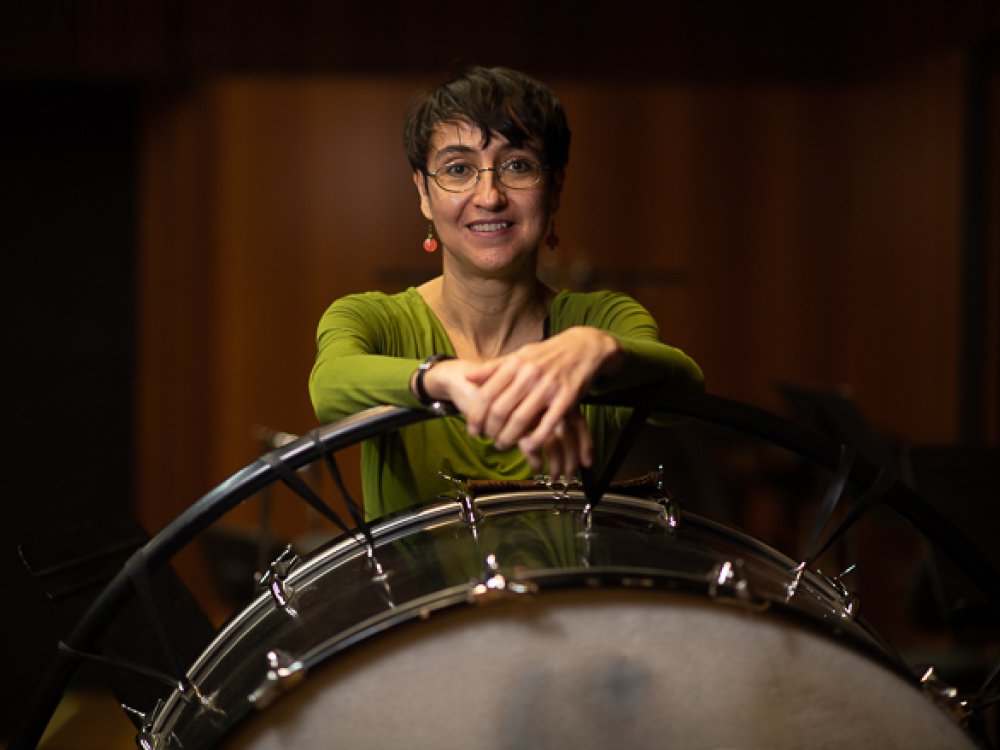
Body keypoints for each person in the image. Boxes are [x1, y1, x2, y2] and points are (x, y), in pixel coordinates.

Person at [309, 65, 704, 519]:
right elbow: (329, 386)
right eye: (458, 169)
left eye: (518, 165)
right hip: (421, 594)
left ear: (554, 190)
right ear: (422, 192)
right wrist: (442, 378)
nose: (489, 196)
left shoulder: (602, 319)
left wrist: (599, 348)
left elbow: (685, 393)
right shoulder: (370, 318)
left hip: (571, 593)